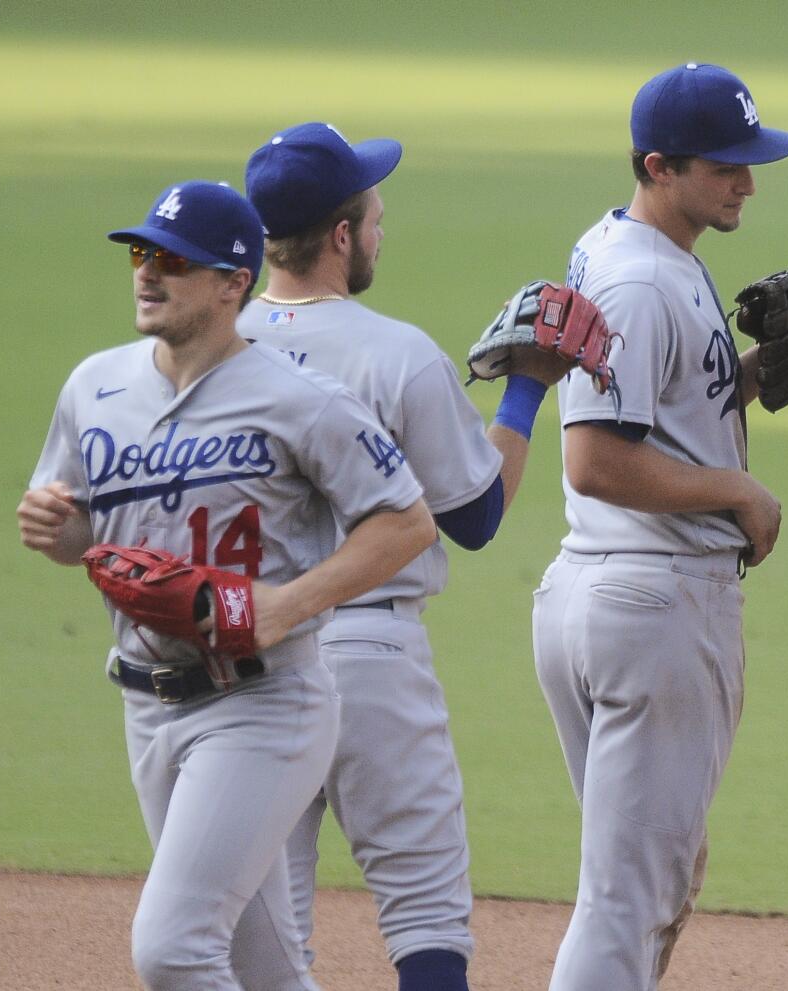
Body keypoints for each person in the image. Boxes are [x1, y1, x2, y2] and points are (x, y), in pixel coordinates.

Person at [16, 179, 437, 991]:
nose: (146, 273)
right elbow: (85, 534)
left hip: (263, 705)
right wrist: (61, 532)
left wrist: (290, 604)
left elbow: (407, 522)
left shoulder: (302, 399)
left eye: (172, 261)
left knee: (174, 947)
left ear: (232, 282)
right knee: (265, 969)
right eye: (142, 253)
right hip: (146, 702)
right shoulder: (93, 387)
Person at [238, 122, 572, 991]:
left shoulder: (211, 352)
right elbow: (476, 513)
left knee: (269, 936)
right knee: (424, 916)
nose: (384, 223)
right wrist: (529, 383)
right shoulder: (396, 353)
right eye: (374, 211)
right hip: (368, 655)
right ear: (341, 235)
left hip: (245, 659)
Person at [531, 62, 788, 991]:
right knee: (626, 896)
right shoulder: (641, 282)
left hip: (603, 594)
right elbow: (596, 458)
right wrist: (739, 488)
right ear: (659, 165)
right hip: (653, 601)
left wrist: (759, 371)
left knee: (655, 876)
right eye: (727, 165)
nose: (747, 181)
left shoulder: (626, 247)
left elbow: (664, 402)